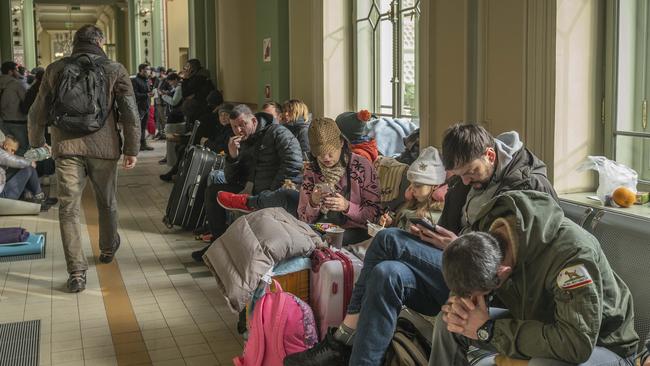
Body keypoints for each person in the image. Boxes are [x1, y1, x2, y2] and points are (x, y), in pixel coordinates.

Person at [285, 123, 557, 366]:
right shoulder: (467, 180)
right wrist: (433, 237)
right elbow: (451, 229)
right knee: (387, 273)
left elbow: (522, 261)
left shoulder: (529, 186)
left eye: (470, 173)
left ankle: (340, 341)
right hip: (456, 267)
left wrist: (457, 243)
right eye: (458, 176)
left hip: (492, 286)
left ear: (489, 155)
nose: (465, 182)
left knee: (387, 239)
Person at [431, 190, 639, 365]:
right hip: (540, 322)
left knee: (543, 364)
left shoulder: (572, 257)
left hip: (602, 344)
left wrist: (489, 330)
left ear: (501, 273)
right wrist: (461, 309)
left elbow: (576, 344)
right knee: (450, 322)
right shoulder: (487, 231)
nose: (472, 300)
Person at [28, 24, 141, 293]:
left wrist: (37, 144)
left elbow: (37, 111)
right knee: (108, 202)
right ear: (100, 41)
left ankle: (77, 273)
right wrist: (132, 150)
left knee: (68, 210)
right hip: (105, 148)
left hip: (67, 147)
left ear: (74, 43)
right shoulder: (115, 69)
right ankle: (107, 248)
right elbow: (130, 114)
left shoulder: (55, 69)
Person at [191, 104, 302, 261]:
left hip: (272, 192)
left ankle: (232, 249)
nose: (239, 130)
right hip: (251, 189)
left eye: (243, 125)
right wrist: (232, 157)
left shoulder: (278, 132)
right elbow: (232, 179)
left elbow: (293, 163)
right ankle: (218, 243)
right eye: (234, 127)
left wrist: (272, 192)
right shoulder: (242, 141)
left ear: (254, 121)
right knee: (213, 192)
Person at [0, 135, 44, 201]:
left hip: (3, 192)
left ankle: (28, 196)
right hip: (2, 198)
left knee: (22, 170)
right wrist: (29, 162)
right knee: (29, 169)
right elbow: (15, 160)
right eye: (12, 150)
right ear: (5, 146)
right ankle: (40, 199)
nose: (13, 153)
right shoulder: (1, 154)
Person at [0, 61, 29, 156]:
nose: (18, 72)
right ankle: (20, 170)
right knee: (22, 149)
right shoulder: (16, 84)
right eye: (16, 70)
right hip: (18, 122)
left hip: (2, 122)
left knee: (6, 149)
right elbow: (26, 101)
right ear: (10, 72)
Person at [181, 59, 218, 125]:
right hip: (198, 106)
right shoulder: (199, 75)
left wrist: (185, 79)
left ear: (192, 68)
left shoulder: (199, 77)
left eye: (187, 66)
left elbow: (185, 93)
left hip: (198, 107)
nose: (185, 69)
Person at [131, 63, 154, 151]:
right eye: (147, 70)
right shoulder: (135, 81)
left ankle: (143, 144)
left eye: (149, 69)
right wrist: (146, 95)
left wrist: (150, 94)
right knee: (138, 127)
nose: (149, 71)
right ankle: (135, 145)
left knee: (143, 126)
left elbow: (148, 91)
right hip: (138, 106)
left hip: (146, 106)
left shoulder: (147, 80)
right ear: (141, 71)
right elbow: (135, 95)